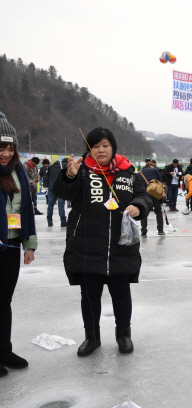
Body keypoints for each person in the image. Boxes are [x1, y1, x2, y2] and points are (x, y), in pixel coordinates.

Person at [53, 127, 152, 357]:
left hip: (121, 246)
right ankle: (92, 337)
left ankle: (124, 335)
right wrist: (69, 175)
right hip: (87, 246)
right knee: (89, 296)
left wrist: (138, 206)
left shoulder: (128, 172)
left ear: (113, 147)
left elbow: (144, 195)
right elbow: (62, 192)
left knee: (121, 294)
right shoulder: (82, 171)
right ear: (90, 149)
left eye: (105, 145)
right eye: (95, 146)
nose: (101, 150)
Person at [0, 112, 37, 378]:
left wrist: (29, 245)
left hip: (11, 247)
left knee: (4, 301)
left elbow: (26, 210)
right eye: (0, 147)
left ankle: (4, 349)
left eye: (10, 148)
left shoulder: (19, 172)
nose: (5, 153)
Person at [139, 158, 165, 236]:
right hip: (154, 192)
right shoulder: (155, 170)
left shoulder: (141, 171)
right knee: (158, 211)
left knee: (144, 212)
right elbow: (160, 181)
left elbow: (138, 183)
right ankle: (160, 230)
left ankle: (143, 232)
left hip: (145, 193)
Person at [46, 158, 67, 227]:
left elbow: (47, 177)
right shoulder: (64, 167)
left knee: (50, 206)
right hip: (60, 188)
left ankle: (49, 221)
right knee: (61, 206)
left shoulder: (51, 167)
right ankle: (63, 222)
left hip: (51, 188)